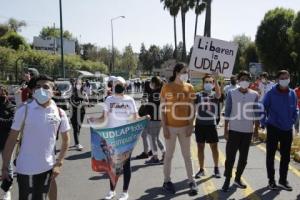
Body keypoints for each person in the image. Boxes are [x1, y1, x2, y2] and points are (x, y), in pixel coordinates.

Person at [2, 75, 71, 200]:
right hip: (25, 168)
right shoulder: (24, 110)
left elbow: (66, 140)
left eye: (45, 87)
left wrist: (59, 163)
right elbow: (11, 140)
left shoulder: (59, 112)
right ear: (33, 90)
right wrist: (5, 167)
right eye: (38, 87)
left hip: (48, 168)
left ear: (53, 91)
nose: (41, 90)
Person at [90, 76, 139, 200]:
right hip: (112, 138)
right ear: (112, 85)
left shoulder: (130, 100)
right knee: (112, 165)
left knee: (126, 165)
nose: (118, 85)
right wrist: (94, 120)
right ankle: (112, 191)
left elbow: (135, 118)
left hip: (126, 137)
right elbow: (104, 118)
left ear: (125, 86)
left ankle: (125, 192)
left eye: (120, 83)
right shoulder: (108, 100)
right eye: (116, 83)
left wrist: (145, 118)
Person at [160, 63, 198, 195]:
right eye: (184, 71)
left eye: (186, 72)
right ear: (177, 72)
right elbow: (163, 109)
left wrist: (191, 124)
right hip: (170, 128)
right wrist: (164, 127)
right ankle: (166, 181)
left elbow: (193, 108)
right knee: (169, 156)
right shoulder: (167, 87)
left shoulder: (190, 87)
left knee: (187, 156)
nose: (186, 74)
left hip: (185, 128)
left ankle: (191, 181)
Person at [222, 71, 260, 192]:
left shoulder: (254, 94)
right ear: (238, 81)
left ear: (249, 81)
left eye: (247, 79)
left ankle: (237, 178)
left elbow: (256, 113)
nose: (245, 81)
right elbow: (227, 111)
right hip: (234, 130)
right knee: (230, 157)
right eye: (242, 79)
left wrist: (256, 130)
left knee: (243, 158)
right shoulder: (231, 93)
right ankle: (227, 179)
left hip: (247, 131)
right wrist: (226, 129)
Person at [262, 70, 298, 191]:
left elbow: (295, 109)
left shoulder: (292, 93)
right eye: (282, 77)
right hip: (273, 128)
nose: (285, 79)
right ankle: (271, 181)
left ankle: (283, 180)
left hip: (287, 129)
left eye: (286, 77)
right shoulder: (271, 93)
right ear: (277, 80)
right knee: (270, 156)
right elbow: (263, 108)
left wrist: (293, 120)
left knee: (286, 157)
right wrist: (264, 123)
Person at [194, 74, 221, 179]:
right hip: (200, 125)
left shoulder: (214, 94)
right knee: (200, 147)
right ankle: (201, 169)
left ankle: (216, 168)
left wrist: (217, 79)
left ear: (213, 84)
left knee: (214, 147)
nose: (208, 84)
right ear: (203, 83)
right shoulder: (198, 95)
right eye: (206, 82)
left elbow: (219, 94)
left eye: (211, 82)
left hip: (211, 125)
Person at [144, 76, 166, 164]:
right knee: (156, 137)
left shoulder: (153, 93)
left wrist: (144, 112)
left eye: (151, 83)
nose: (150, 84)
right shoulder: (162, 92)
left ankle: (155, 157)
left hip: (153, 118)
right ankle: (165, 153)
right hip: (160, 118)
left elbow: (149, 106)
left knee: (152, 138)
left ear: (154, 83)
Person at [0, 86, 15, 200]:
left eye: (2, 94)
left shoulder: (12, 107)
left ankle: (6, 190)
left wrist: (1, 121)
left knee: (7, 165)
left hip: (6, 141)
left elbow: (11, 122)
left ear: (6, 94)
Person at [70, 79, 85, 151]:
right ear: (75, 84)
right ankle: (77, 143)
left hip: (82, 111)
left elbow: (86, 101)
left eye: (80, 84)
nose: (78, 85)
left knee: (79, 127)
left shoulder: (83, 92)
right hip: (74, 112)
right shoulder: (72, 92)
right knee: (76, 128)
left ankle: (76, 141)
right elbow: (71, 102)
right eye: (77, 84)